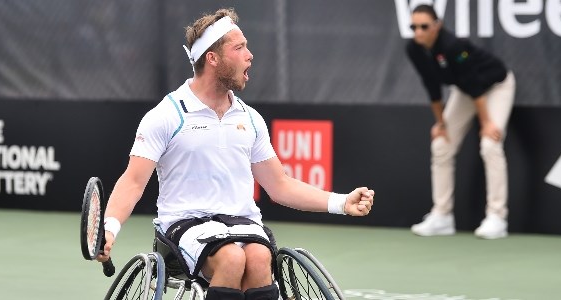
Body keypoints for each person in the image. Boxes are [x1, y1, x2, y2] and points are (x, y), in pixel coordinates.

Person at [95, 8, 376, 300]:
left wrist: (342, 202)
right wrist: (110, 228)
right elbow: (133, 182)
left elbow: (280, 186)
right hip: (185, 224)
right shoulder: (167, 115)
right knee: (231, 258)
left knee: (257, 257)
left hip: (242, 222)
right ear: (212, 58)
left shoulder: (250, 119)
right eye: (239, 47)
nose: (250, 55)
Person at [404, 4, 515, 240]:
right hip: (466, 92)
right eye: (414, 27)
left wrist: (486, 124)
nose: (418, 32)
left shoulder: (453, 46)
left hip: (496, 86)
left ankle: (497, 217)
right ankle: (442, 216)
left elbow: (474, 83)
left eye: (424, 27)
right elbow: (431, 86)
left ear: (437, 26)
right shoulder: (414, 48)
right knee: (441, 145)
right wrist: (440, 123)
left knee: (490, 144)